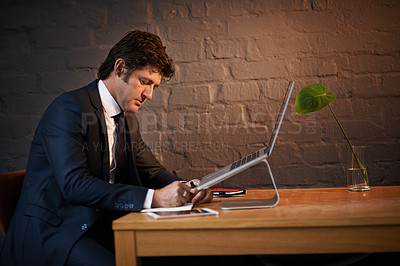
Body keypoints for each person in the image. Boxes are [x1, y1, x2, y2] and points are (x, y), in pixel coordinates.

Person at [0, 30, 213, 266]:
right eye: (145, 82)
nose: (150, 95)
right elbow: (74, 185)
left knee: (179, 254)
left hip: (100, 225)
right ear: (120, 68)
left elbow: (151, 171)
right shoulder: (68, 108)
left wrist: (189, 188)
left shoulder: (126, 118)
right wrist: (154, 198)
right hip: (55, 233)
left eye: (154, 87)